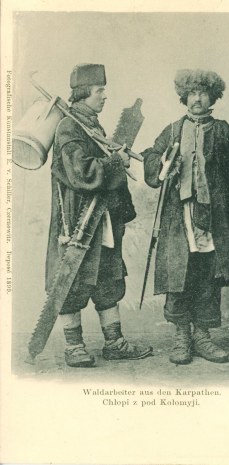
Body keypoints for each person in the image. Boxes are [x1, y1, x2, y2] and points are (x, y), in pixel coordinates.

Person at [142, 69, 229, 365]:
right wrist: (165, 164)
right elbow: (152, 158)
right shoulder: (173, 130)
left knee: (207, 272)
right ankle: (181, 336)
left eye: (203, 93)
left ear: (212, 97)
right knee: (180, 272)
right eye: (192, 94)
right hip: (179, 216)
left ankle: (202, 336)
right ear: (184, 97)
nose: (197, 99)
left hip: (213, 216)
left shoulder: (223, 131)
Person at [47, 63, 152, 367]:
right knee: (71, 279)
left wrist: (115, 158)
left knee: (107, 275)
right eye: (100, 90)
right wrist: (114, 163)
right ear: (84, 94)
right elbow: (80, 173)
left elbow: (102, 164)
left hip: (101, 217)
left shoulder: (92, 125)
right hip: (77, 219)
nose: (105, 96)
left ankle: (115, 343)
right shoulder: (69, 127)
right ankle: (74, 347)